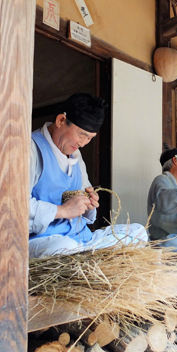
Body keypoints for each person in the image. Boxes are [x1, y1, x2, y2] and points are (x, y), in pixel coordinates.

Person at [29, 93, 148, 258]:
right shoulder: (30, 148)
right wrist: (62, 210)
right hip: (45, 241)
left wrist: (89, 204)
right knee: (66, 248)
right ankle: (84, 256)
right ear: (61, 121)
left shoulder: (76, 157)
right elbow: (15, 208)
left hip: (81, 239)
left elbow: (85, 213)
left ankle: (87, 255)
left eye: (90, 139)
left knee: (138, 232)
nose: (83, 143)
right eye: (81, 135)